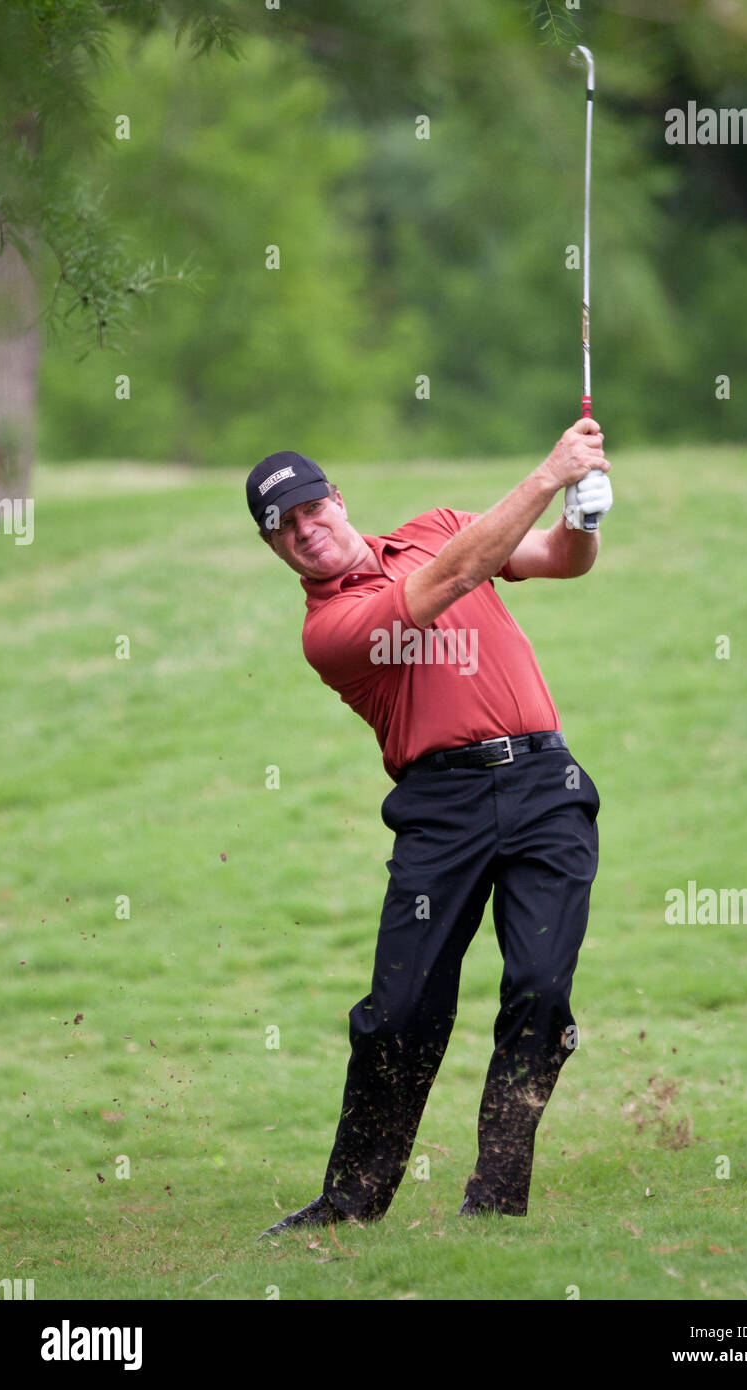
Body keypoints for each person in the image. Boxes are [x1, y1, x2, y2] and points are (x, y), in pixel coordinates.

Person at [245, 419, 613, 1232]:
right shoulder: (331, 631)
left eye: (313, 509)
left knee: (542, 990)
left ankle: (497, 1194)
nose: (308, 532)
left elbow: (557, 560)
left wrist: (583, 517)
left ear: (338, 500)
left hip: (545, 786)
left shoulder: (438, 529)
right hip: (441, 811)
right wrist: (551, 471)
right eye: (287, 530)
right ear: (278, 551)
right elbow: (453, 579)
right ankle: (351, 1201)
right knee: (401, 1012)